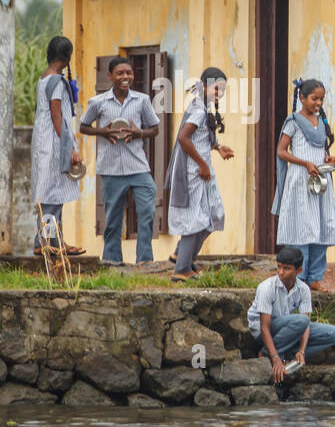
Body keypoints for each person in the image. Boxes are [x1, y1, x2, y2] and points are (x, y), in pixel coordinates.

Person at [80, 56, 160, 264]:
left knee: (147, 215)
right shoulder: (98, 102)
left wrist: (139, 132)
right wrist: (103, 132)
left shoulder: (142, 100)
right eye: (120, 73)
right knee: (113, 221)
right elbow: (83, 126)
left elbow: (155, 129)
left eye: (129, 73)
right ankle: (112, 263)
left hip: (138, 167)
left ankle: (144, 262)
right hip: (111, 169)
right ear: (110, 76)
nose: (125, 77)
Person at [272, 78, 335, 292]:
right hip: (300, 181)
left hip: (319, 180)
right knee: (303, 227)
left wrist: (327, 159)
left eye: (321, 99)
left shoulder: (321, 121)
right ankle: (299, 280)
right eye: (314, 98)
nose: (318, 103)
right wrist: (305, 163)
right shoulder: (293, 121)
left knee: (322, 225)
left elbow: (321, 149)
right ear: (302, 98)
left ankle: (315, 277)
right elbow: (281, 151)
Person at [165, 68, 234, 282]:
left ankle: (181, 255)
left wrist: (218, 147)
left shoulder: (204, 107)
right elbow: (184, 139)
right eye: (216, 88)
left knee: (214, 215)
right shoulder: (198, 109)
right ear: (204, 85)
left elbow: (201, 138)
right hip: (194, 171)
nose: (219, 93)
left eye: (222, 89)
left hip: (203, 169)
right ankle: (182, 270)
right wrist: (202, 164)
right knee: (196, 219)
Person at [247, 247, 335, 381]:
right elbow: (264, 327)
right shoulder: (267, 287)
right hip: (265, 332)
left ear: (298, 271)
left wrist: (302, 351)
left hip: (288, 330)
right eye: (279, 267)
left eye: (286, 268)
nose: (281, 272)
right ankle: (267, 353)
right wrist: (275, 358)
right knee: (301, 321)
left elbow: (306, 325)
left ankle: (289, 354)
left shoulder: (303, 289)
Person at [30, 36, 85, 256]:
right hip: (53, 144)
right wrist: (70, 148)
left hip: (44, 142)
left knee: (54, 193)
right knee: (52, 194)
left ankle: (53, 240)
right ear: (67, 57)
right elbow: (57, 116)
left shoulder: (44, 78)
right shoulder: (55, 82)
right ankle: (46, 241)